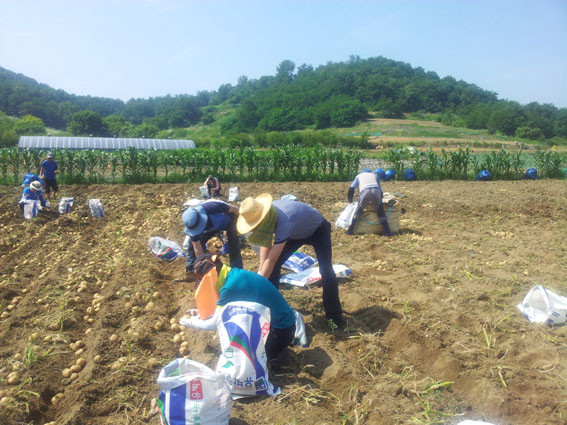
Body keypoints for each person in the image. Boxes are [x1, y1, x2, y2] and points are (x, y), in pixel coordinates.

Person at [237, 193, 344, 329]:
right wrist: (260, 273)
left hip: (318, 230)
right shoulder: (265, 215)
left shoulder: (284, 220)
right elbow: (266, 246)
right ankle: (271, 309)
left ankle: (334, 317)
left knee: (326, 270)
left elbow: (271, 260)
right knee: (271, 269)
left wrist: (259, 284)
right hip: (295, 233)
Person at [181, 253, 296, 372]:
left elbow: (215, 323)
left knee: (252, 367)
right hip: (285, 322)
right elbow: (224, 311)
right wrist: (200, 314)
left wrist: (190, 323)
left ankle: (276, 357)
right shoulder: (232, 274)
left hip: (280, 330)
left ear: (210, 277)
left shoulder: (229, 287)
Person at [182, 199, 243, 273]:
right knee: (191, 246)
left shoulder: (212, 207)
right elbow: (197, 248)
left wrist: (242, 223)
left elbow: (234, 209)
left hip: (227, 222)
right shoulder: (192, 224)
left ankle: (237, 269)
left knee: (233, 244)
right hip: (210, 228)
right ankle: (191, 271)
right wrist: (202, 264)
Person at [346, 168, 393, 237]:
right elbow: (380, 190)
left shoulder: (359, 176)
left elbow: (351, 188)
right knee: (381, 212)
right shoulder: (374, 175)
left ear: (362, 172)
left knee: (358, 212)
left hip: (365, 191)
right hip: (376, 190)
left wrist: (350, 200)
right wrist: (380, 202)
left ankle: (350, 230)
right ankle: (388, 232)